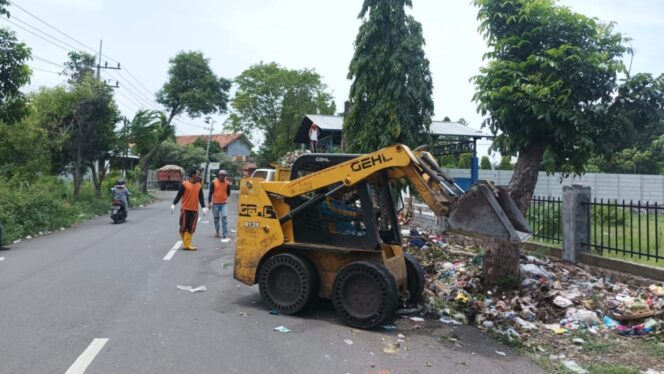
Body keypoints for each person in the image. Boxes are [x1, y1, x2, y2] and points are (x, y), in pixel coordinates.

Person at [170, 170, 207, 250]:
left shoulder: (199, 186)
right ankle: (186, 243)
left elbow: (201, 197)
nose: (199, 176)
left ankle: (187, 244)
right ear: (193, 175)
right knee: (183, 227)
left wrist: (204, 207)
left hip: (194, 210)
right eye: (197, 174)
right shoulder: (184, 184)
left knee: (191, 228)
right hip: (185, 209)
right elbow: (179, 195)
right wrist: (173, 204)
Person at [208, 169, 231, 239]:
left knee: (224, 217)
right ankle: (217, 232)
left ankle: (225, 233)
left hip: (224, 203)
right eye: (221, 175)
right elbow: (210, 193)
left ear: (225, 176)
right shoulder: (214, 182)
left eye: (224, 175)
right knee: (216, 219)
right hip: (215, 204)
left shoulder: (227, 183)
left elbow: (228, 193)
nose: (222, 176)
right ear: (219, 175)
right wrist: (209, 202)